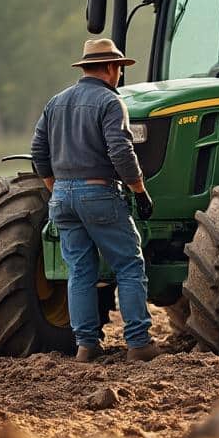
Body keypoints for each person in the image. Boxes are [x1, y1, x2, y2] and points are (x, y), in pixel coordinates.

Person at [30, 38, 161, 363]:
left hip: (62, 197)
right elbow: (121, 151)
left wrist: (57, 188)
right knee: (129, 265)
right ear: (110, 68)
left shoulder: (56, 102)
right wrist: (139, 190)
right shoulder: (110, 102)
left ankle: (86, 346)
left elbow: (38, 151)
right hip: (99, 193)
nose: (119, 75)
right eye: (118, 68)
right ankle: (139, 343)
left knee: (79, 271)